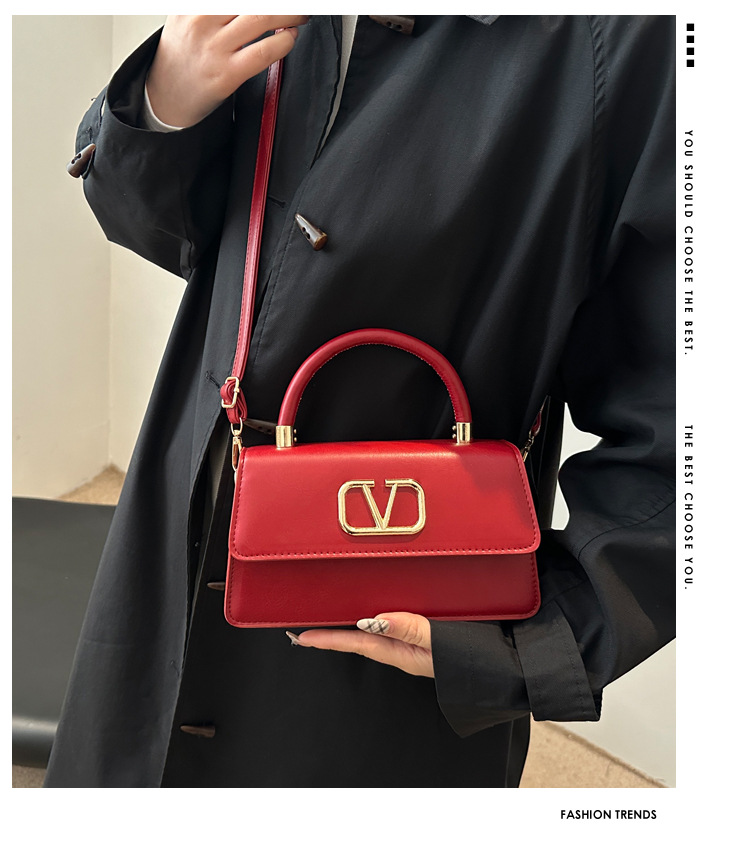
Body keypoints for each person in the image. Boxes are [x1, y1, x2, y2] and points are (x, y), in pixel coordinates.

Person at [45, 14, 675, 788]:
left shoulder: (618, 36)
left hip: (406, 598)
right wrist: (164, 101)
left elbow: (682, 428)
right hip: (180, 513)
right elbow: (192, 240)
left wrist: (539, 637)